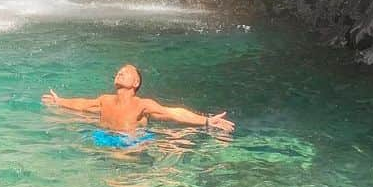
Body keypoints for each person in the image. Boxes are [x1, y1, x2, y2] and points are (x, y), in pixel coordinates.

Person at [41, 64, 234, 135]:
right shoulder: (105, 100)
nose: (119, 73)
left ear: (136, 82)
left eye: (125, 72)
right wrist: (60, 101)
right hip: (104, 138)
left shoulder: (142, 105)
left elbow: (173, 113)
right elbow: (82, 104)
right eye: (118, 72)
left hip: (131, 142)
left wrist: (207, 121)